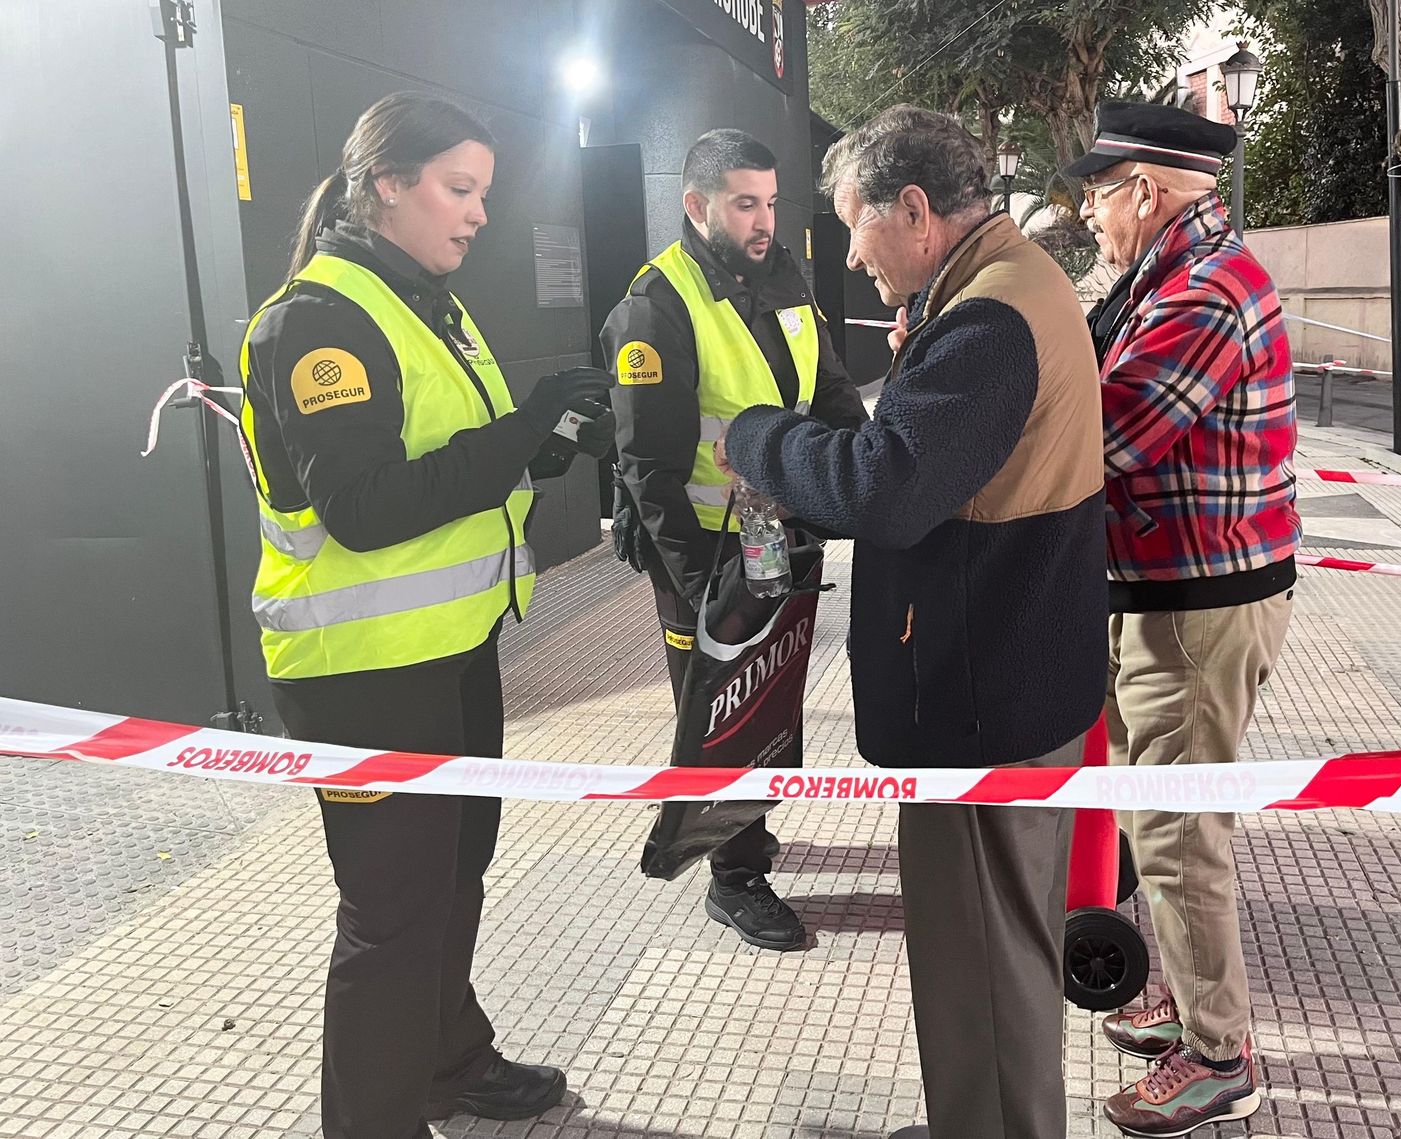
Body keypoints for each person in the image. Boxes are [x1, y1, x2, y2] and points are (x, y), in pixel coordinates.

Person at [717, 104, 1107, 1139]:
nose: (849, 250)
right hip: (1015, 678)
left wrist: (759, 440)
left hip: (986, 697)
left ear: (917, 209)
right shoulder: (1005, 283)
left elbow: (886, 491)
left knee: (983, 954)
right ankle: (974, 1117)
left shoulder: (988, 319)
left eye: (857, 223)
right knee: (989, 947)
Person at [239, 93, 611, 1139]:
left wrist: (539, 444)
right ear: (386, 184)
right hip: (359, 668)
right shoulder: (319, 320)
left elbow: (448, 461)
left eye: (483, 192)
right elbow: (363, 509)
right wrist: (519, 431)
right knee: (392, 914)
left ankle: (449, 1061)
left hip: (447, 648)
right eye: (459, 189)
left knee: (456, 870)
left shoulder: (421, 301)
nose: (479, 214)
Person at [1070, 101, 1301, 1138]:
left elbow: (1110, 435)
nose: (1088, 217)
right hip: (1161, 596)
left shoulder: (1203, 290)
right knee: (1149, 815)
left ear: (1145, 190)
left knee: (1176, 836)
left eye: (1095, 195)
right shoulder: (1160, 278)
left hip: (1192, 610)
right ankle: (1187, 1004)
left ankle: (1219, 1054)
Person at [602, 128, 867, 951]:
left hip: (781, 539)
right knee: (719, 707)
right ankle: (735, 875)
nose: (764, 220)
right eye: (745, 204)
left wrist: (858, 478)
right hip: (705, 555)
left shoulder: (782, 273)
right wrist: (700, 590)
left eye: (772, 202)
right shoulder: (656, 306)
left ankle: (749, 829)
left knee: (771, 697)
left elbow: (826, 387)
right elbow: (646, 469)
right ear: (696, 205)